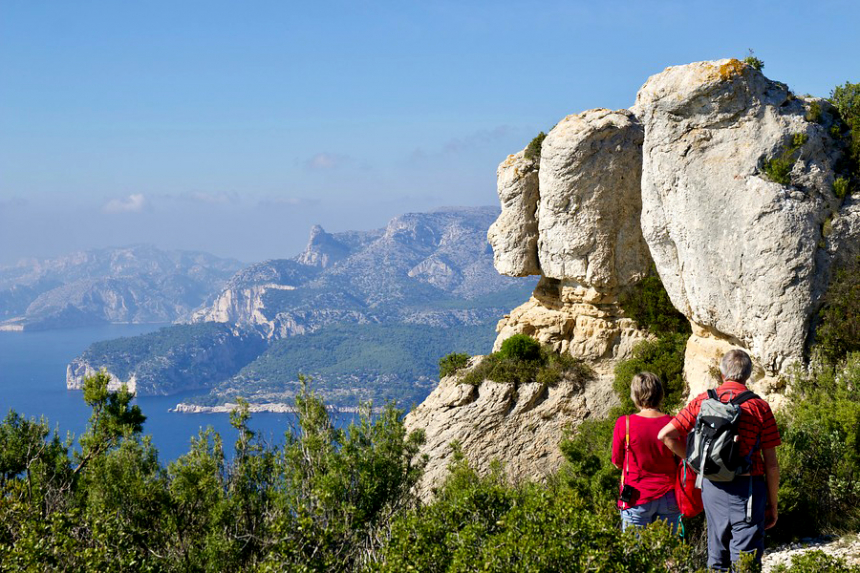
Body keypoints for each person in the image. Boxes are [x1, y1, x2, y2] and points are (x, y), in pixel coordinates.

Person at [657, 349, 781, 571]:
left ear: (723, 374)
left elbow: (665, 435)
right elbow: (771, 464)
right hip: (747, 489)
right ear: (747, 375)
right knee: (745, 560)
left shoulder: (703, 400)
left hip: (712, 487)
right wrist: (773, 505)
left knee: (717, 556)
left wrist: (698, 463)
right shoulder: (759, 407)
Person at [611, 372, 680, 531]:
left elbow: (617, 462)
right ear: (660, 394)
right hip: (669, 495)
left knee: (635, 553)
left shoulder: (625, 423)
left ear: (635, 395)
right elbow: (681, 457)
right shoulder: (672, 423)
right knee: (668, 552)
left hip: (636, 497)